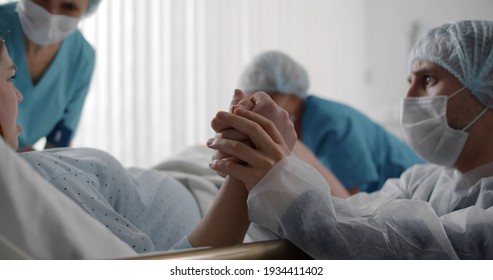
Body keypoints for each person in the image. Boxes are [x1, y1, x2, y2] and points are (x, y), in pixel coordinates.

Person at [208, 20, 493, 259]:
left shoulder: (333, 123)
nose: (408, 98)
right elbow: (353, 217)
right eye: (410, 82)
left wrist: (278, 178)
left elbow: (409, 249)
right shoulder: (420, 182)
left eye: (428, 79)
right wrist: (261, 172)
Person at [0, 38, 251, 258]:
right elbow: (166, 268)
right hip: (210, 198)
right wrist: (242, 165)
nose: (20, 96)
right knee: (283, 151)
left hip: (180, 175)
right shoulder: (45, 182)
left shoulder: (29, 172)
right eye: (10, 77)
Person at [239, 50, 424, 194]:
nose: (259, 111)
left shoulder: (334, 125)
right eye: (252, 102)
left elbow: (348, 205)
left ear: (294, 96)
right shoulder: (299, 124)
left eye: (269, 98)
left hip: (416, 193)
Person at [0, 0, 101, 151]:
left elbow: (57, 146)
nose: (51, 14)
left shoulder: (82, 59)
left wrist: (33, 167)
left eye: (69, 7)